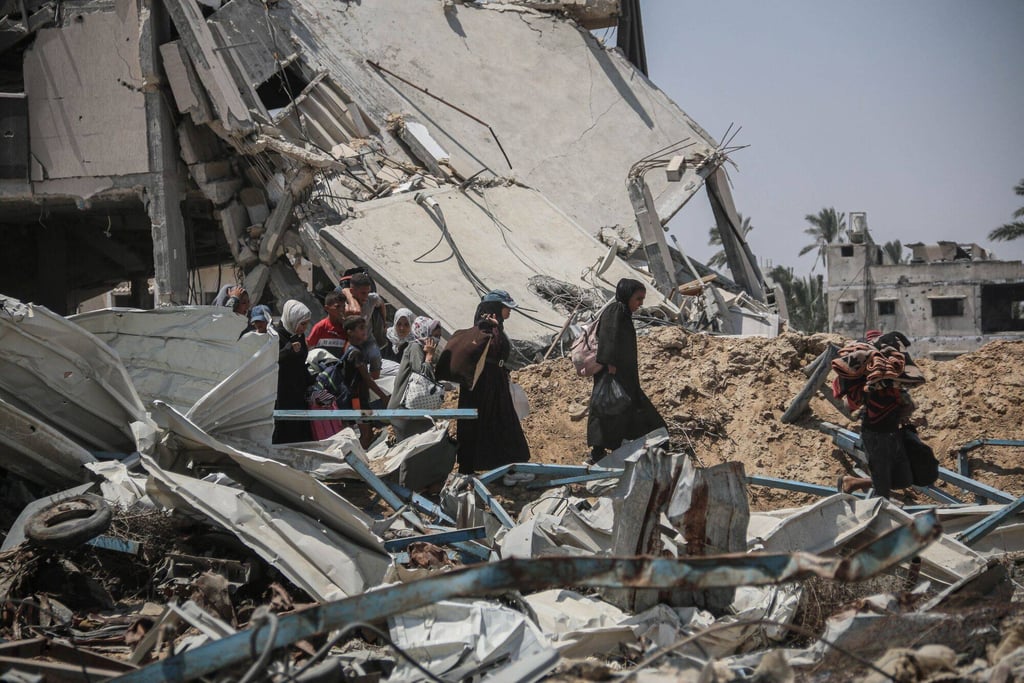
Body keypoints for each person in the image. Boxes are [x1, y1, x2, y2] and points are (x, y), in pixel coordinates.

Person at [586, 278, 666, 463]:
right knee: (611, 411)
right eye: (638, 298)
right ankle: (599, 454)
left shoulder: (623, 312)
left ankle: (608, 452)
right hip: (615, 375)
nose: (640, 304)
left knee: (617, 413)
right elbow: (609, 335)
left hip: (624, 377)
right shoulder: (616, 310)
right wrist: (610, 363)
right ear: (627, 295)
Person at [456, 290, 531, 478]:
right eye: (507, 308)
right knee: (490, 424)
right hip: (484, 387)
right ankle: (505, 469)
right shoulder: (485, 327)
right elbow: (491, 350)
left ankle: (504, 468)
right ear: (496, 308)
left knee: (496, 424)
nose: (509, 312)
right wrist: (495, 330)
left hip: (492, 385)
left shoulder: (494, 326)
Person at [387, 316, 443, 441]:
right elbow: (421, 376)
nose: (436, 339)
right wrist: (429, 357)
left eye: (439, 336)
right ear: (423, 332)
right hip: (403, 409)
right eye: (434, 335)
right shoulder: (415, 348)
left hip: (412, 409)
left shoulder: (421, 348)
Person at [272, 300, 313, 444]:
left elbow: (300, 362)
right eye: (302, 324)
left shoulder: (299, 336)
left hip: (298, 388)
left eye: (306, 324)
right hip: (282, 390)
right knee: (284, 427)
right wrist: (288, 350)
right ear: (292, 319)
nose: (304, 328)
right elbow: (271, 360)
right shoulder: (275, 336)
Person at [306, 290, 348, 356]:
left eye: (344, 306)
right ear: (327, 308)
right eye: (337, 306)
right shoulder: (321, 327)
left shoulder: (346, 327)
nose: (341, 310)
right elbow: (309, 345)